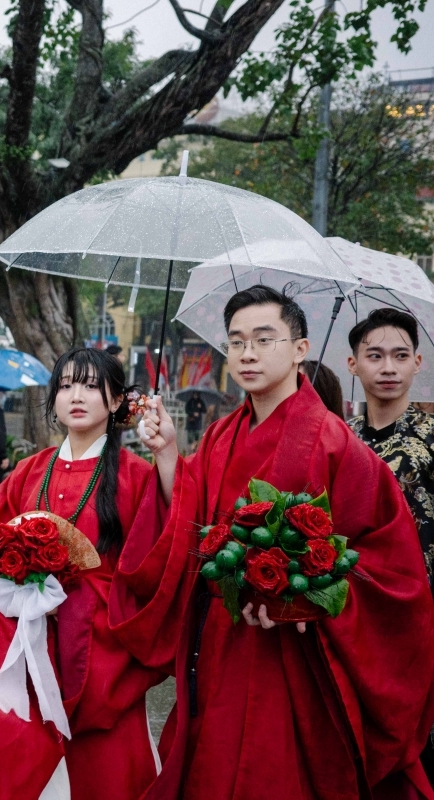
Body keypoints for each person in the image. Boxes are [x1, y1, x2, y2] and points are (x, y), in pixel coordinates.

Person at [114, 285, 434, 799]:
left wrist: (307, 597)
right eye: (237, 341)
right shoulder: (221, 434)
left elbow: (388, 567)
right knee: (213, 768)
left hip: (295, 653)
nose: (247, 353)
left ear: (300, 349)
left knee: (274, 773)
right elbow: (191, 521)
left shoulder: (336, 443)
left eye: (265, 339)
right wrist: (169, 454)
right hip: (221, 639)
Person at [0, 347, 171, 800]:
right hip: (31, 633)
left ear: (118, 400)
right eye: (65, 385)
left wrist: (168, 460)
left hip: (100, 640)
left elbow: (160, 553)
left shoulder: (137, 475)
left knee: (106, 768)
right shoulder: (31, 470)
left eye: (89, 384)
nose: (75, 395)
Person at [345, 308, 434, 783]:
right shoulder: (341, 439)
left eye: (400, 356)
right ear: (352, 364)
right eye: (374, 355)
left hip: (421, 607)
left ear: (418, 362)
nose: (388, 368)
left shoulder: (432, 439)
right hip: (356, 608)